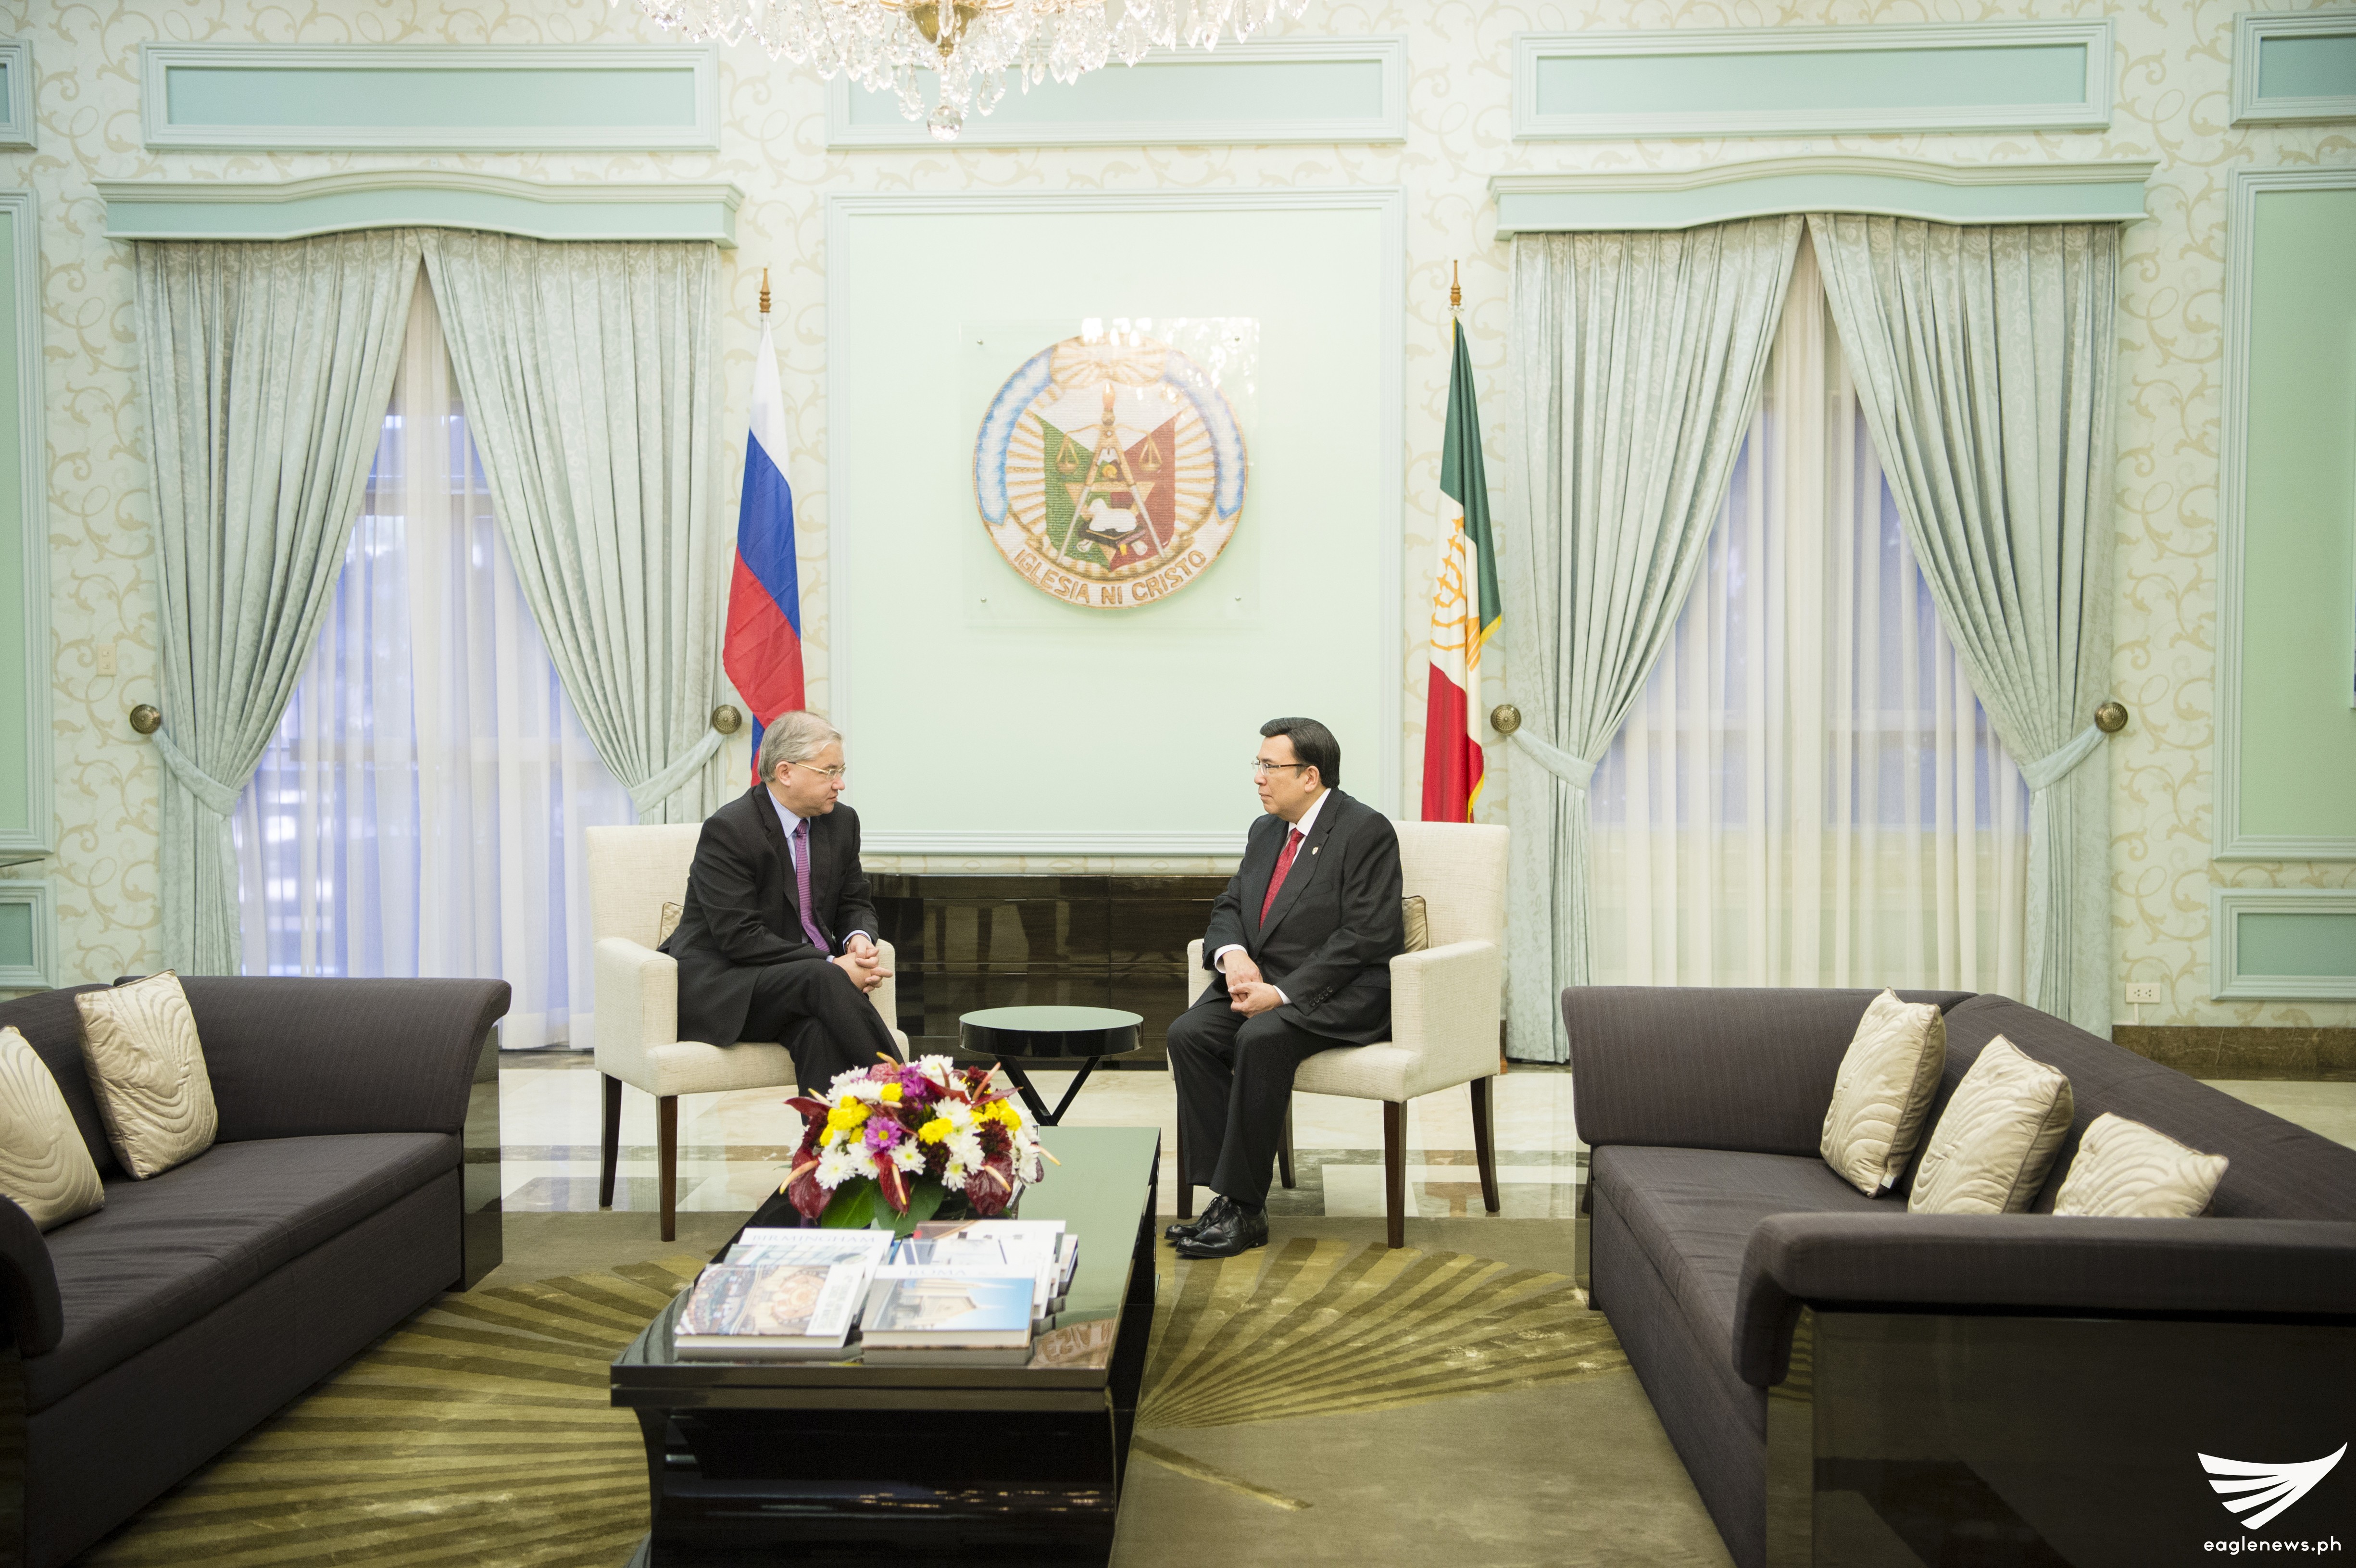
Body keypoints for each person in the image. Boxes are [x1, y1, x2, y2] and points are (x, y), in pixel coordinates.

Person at [1164, 717, 1404, 1259]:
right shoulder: (1265, 830)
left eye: (1270, 767)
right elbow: (1229, 906)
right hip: (1264, 983)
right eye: (1259, 765)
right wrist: (1234, 955)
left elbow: (1368, 935)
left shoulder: (1365, 831)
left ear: (1311, 776)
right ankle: (1225, 1197)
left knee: (1260, 1039)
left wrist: (1283, 992)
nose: (1259, 778)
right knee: (1190, 1034)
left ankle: (1243, 1208)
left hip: (1338, 992)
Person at [661, 710, 901, 1090]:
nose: (839, 784)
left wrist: (858, 939)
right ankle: (913, 1096)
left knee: (818, 1032)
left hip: (805, 987)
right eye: (828, 771)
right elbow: (740, 937)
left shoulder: (841, 823)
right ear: (786, 772)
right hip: (731, 983)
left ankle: (831, 1148)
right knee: (822, 978)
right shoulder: (730, 830)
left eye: (842, 770)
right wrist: (833, 964)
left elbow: (855, 901)